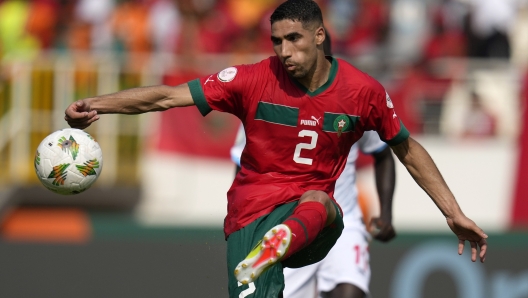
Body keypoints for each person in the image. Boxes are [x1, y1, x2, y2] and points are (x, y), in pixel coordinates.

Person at [64, 1, 488, 297]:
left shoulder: (363, 93)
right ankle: (272, 246)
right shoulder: (250, 79)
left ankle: (283, 239)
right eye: (276, 41)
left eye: (294, 39)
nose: (284, 51)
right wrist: (97, 104)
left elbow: (405, 150)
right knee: (318, 207)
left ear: (320, 35)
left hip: (307, 218)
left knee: (324, 203)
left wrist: (453, 212)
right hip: (250, 218)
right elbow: (166, 97)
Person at [231, 127, 396, 298]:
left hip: (345, 222)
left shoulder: (359, 101)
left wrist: (386, 214)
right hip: (289, 229)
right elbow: (242, 166)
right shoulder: (262, 103)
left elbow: (382, 153)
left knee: (351, 293)